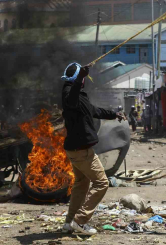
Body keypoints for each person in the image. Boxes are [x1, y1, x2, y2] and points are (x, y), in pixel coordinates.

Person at [61, 62, 124, 235]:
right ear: (78, 80)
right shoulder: (69, 95)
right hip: (82, 151)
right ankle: (80, 221)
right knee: (102, 183)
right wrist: (81, 76)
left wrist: (114, 114)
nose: (85, 80)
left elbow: (94, 110)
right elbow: (72, 98)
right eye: (83, 78)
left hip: (75, 150)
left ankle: (69, 222)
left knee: (82, 183)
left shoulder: (80, 97)